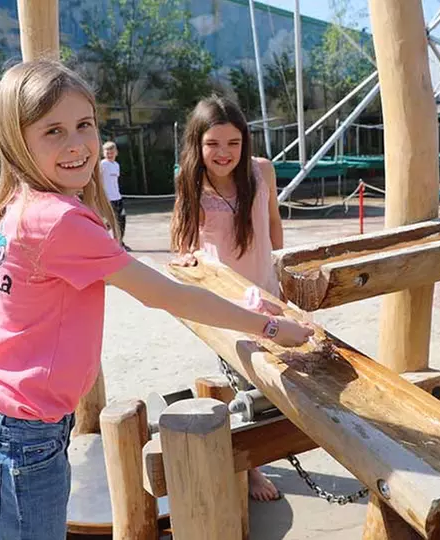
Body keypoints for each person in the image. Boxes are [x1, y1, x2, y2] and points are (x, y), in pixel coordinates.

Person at [0, 61, 313, 540]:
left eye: (84, 124)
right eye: (53, 131)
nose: (76, 144)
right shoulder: (59, 220)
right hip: (22, 439)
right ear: (17, 140)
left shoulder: (23, 203)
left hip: (8, 427)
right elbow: (167, 295)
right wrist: (270, 327)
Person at [170, 95, 284, 501]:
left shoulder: (261, 171)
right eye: (213, 144)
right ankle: (251, 468)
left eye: (233, 143)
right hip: (227, 306)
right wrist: (187, 260)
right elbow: (181, 240)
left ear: (245, 141)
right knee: (245, 384)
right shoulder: (192, 182)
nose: (224, 153)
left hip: (267, 292)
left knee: (279, 378)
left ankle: (264, 449)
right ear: (197, 144)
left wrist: (282, 270)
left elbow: (274, 224)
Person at [99, 141, 128, 249]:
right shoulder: (102, 164)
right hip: (107, 198)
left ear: (116, 152)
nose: (110, 155)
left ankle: (119, 242)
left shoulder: (116, 165)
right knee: (109, 222)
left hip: (117, 197)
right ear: (103, 153)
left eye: (112, 152)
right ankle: (100, 241)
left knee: (121, 220)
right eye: (107, 153)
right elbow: (97, 178)